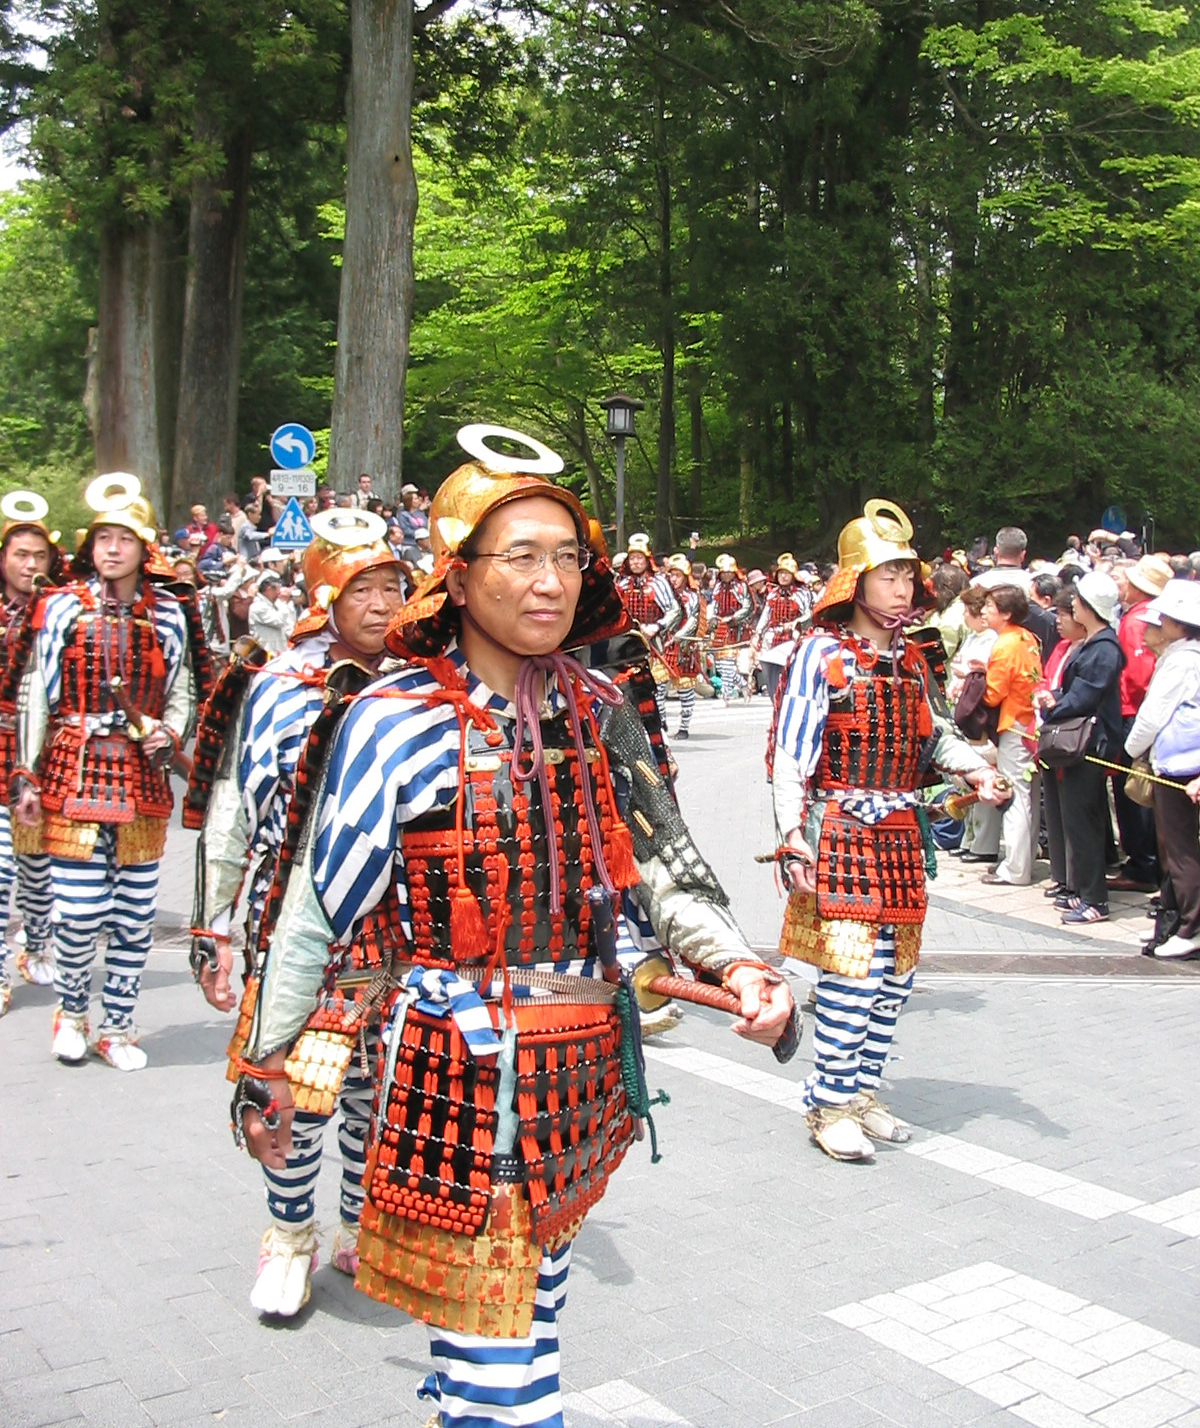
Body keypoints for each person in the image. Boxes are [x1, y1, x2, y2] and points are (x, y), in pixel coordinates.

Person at [233, 428, 797, 1427]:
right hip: (461, 1071)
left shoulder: (602, 703)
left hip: (580, 1076)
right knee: (513, 1378)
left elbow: (665, 863)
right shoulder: (394, 715)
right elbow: (321, 905)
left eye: (568, 555)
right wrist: (269, 1059)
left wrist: (739, 961)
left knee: (528, 1316)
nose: (551, 581)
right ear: (457, 577)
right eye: (522, 556)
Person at [190, 510, 405, 1316]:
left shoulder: (421, 683)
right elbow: (234, 811)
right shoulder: (279, 686)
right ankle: (287, 1238)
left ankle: (359, 1229)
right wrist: (213, 923)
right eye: (365, 587)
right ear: (326, 594)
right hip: (299, 929)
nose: (384, 602)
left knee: (374, 1096)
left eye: (393, 586)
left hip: (401, 933)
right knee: (297, 1097)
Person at [770, 499, 1002, 1161]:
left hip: (902, 830)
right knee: (851, 977)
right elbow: (793, 755)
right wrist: (792, 835)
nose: (902, 587)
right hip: (839, 828)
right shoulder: (819, 655)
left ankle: (863, 1091)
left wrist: (977, 770)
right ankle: (828, 1101)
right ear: (856, 582)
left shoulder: (914, 658)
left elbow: (940, 738)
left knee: (895, 978)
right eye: (889, 574)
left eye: (907, 574)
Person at [12, 475, 203, 1068]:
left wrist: (170, 732)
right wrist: (26, 774)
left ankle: (118, 1024)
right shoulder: (62, 606)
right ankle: (72, 1012)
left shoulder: (170, 613)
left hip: (141, 779)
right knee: (78, 912)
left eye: (125, 538)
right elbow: (35, 694)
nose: (113, 548)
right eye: (104, 538)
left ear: (144, 548)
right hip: (74, 770)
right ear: (90, 546)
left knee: (134, 915)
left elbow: (184, 689)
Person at [1033, 571, 1124, 925]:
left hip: (1091, 743)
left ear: (1089, 608)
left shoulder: (1104, 648)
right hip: (1081, 738)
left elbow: (1087, 694)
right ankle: (1084, 891)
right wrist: (1054, 698)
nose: (1071, 606)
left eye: (1076, 602)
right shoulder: (1092, 643)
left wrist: (1053, 705)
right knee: (1076, 819)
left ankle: (1094, 899)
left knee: (1084, 821)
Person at [0, 491, 61, 1015]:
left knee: (39, 865)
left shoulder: (59, 610)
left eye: (39, 556)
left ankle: (38, 944)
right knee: (0, 868)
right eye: (21, 555)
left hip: (42, 752)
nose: (30, 565)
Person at [1124, 580, 1200, 959]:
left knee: (1181, 850)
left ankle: (1190, 927)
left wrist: (1132, 748)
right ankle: (1174, 922)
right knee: (1177, 848)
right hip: (1182, 764)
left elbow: (1154, 715)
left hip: (1181, 766)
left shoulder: (1184, 659)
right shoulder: (1187, 655)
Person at [1110, 554, 1173, 893]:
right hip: (1139, 712)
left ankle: (1142, 864)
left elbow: (1137, 677)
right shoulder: (1146, 618)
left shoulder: (1136, 622)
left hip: (1131, 713)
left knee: (1132, 792)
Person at [979, 585, 1042, 887]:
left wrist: (974, 682)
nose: (984, 611)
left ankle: (1015, 868)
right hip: (1030, 723)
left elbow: (993, 695)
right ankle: (1022, 861)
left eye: (990, 606)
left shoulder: (1004, 644)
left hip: (1014, 724)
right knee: (1028, 795)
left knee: (1014, 794)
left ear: (1005, 613)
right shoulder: (1027, 637)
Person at [1038, 587, 1086, 908]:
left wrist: (1053, 699)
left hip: (1072, 736)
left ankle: (1076, 881)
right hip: (1050, 732)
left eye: (1064, 614)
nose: (1057, 621)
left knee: (1074, 816)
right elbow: (1044, 678)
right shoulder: (1061, 648)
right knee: (1054, 810)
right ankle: (1061, 875)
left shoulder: (1089, 650)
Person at [946, 584, 1000, 864]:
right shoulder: (972, 637)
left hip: (977, 716)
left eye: (968, 611)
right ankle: (969, 839)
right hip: (962, 711)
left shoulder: (992, 639)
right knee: (964, 779)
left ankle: (984, 844)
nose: (965, 617)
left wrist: (967, 673)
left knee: (982, 775)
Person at [613, 533, 681, 730]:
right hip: (628, 641)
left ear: (646, 560)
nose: (635, 563)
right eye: (632, 558)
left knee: (657, 685)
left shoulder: (659, 583)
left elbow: (674, 610)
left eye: (639, 558)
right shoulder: (622, 584)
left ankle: (659, 722)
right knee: (627, 684)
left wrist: (657, 626)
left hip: (653, 641)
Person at [660, 553, 706, 739]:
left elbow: (693, 620)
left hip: (684, 646)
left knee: (684, 688)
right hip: (664, 645)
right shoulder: (665, 594)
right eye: (671, 575)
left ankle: (684, 726)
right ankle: (661, 723)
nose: (674, 579)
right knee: (658, 686)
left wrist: (678, 637)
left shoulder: (692, 597)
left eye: (677, 575)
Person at [751, 553, 808, 703]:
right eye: (781, 573)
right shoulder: (772, 594)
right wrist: (757, 633)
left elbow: (809, 615)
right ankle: (774, 695)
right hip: (772, 637)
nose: (783, 577)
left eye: (786, 574)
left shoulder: (801, 594)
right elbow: (766, 615)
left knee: (791, 669)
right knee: (771, 669)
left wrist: (795, 623)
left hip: (793, 638)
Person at [710, 553, 752, 702]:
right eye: (724, 573)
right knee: (721, 665)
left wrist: (734, 618)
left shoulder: (741, 587)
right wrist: (712, 618)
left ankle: (725, 695)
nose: (726, 575)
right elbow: (714, 604)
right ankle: (743, 684)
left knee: (727, 662)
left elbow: (747, 606)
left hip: (736, 628)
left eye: (729, 572)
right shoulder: (717, 588)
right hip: (721, 627)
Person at [248, 572, 297, 653]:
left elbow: (289, 622)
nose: (279, 594)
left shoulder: (274, 604)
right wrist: (283, 602)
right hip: (266, 653)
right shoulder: (258, 607)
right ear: (269, 589)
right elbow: (279, 621)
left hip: (279, 650)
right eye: (277, 590)